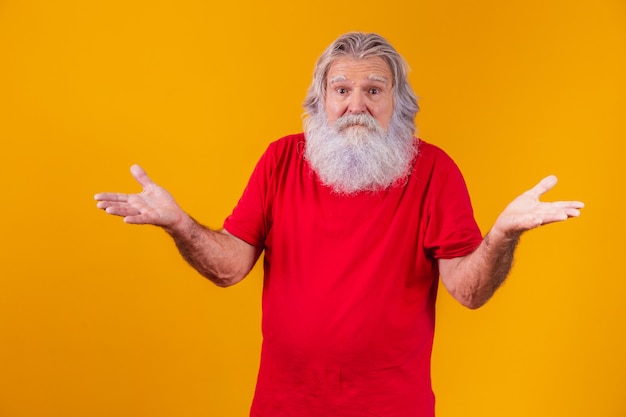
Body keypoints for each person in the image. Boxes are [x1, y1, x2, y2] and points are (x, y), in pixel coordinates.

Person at [95, 32, 583, 417]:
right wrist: (178, 223)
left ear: (398, 103)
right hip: (285, 408)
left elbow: (469, 291)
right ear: (320, 101)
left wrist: (502, 235)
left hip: (393, 410)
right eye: (342, 90)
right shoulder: (280, 160)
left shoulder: (434, 171)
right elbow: (229, 267)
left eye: (374, 90)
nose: (356, 105)